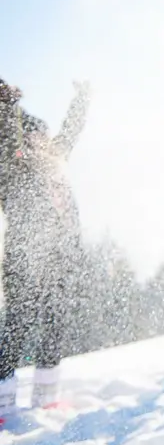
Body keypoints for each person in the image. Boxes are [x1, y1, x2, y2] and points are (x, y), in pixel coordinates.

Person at [0, 77, 90, 421]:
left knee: (55, 318)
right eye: (35, 137)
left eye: (44, 136)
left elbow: (71, 130)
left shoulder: (55, 158)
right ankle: (4, 402)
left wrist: (82, 98)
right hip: (24, 252)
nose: (43, 142)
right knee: (19, 322)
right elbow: (8, 138)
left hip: (61, 250)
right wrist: (8, 106)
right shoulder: (12, 166)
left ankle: (45, 397)